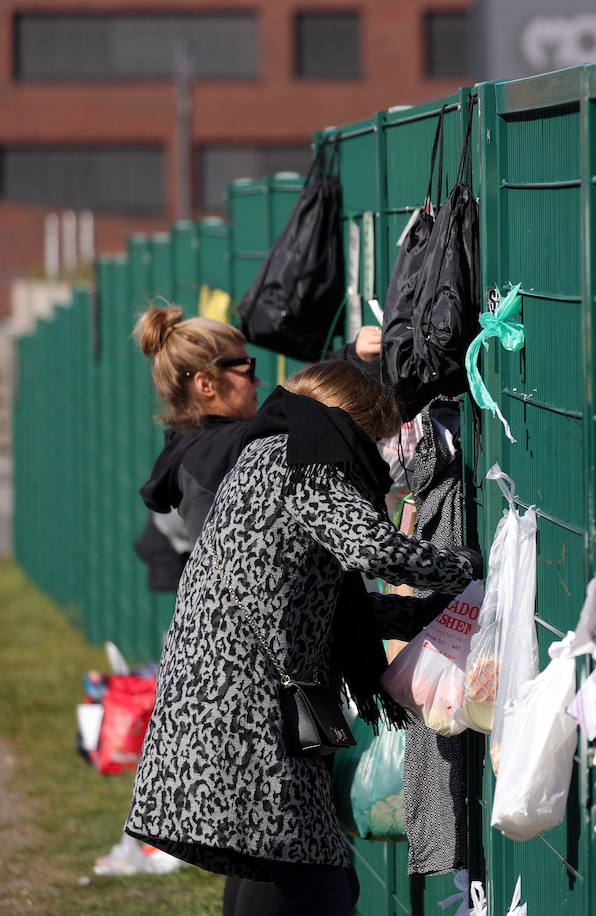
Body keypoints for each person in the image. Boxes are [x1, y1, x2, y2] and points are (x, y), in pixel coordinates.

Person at [125, 360, 481, 915]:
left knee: (277, 859)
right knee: (312, 877)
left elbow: (321, 602)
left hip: (220, 696)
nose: (381, 457)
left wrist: (430, 614)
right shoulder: (310, 460)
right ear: (352, 424)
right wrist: (470, 570)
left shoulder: (266, 453)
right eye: (376, 439)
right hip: (247, 707)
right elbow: (374, 550)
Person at [135, 305, 381, 542]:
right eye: (246, 369)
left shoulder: (199, 446)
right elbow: (291, 412)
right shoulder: (215, 451)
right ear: (206, 384)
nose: (258, 381)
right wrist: (351, 362)